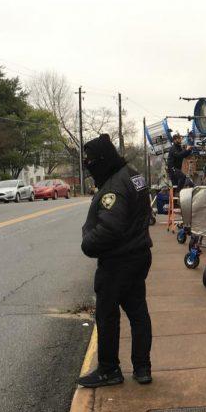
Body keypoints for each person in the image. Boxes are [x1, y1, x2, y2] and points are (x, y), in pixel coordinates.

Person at [78, 134, 154, 387]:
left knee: (107, 316)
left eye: (90, 161)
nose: (88, 166)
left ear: (101, 160)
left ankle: (109, 369)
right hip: (138, 255)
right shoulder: (133, 175)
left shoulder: (114, 188)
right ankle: (142, 368)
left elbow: (110, 230)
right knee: (138, 313)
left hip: (118, 262)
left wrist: (87, 241)